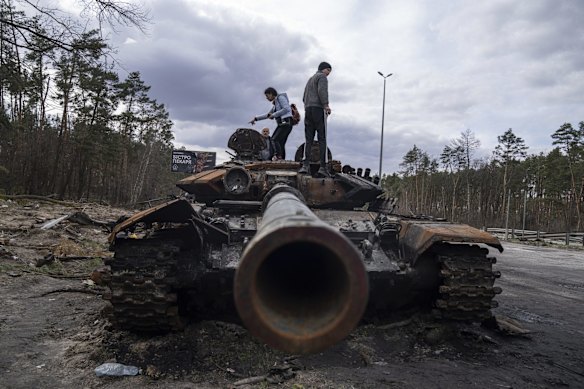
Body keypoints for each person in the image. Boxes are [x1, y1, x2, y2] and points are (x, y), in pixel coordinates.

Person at [299, 62, 332, 177]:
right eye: (329, 71)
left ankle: (305, 165)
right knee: (322, 138)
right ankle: (323, 167)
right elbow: (322, 91)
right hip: (318, 109)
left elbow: (304, 97)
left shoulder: (310, 79)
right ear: (325, 69)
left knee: (309, 139)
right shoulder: (322, 77)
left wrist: (308, 106)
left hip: (308, 110)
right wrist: (326, 105)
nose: (329, 74)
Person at [249, 87, 293, 159]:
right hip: (283, 123)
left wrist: (274, 115)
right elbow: (268, 115)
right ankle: (281, 158)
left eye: (267, 96)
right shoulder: (275, 105)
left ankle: (278, 156)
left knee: (274, 139)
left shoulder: (280, 98)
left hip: (286, 122)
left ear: (271, 94)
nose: (266, 98)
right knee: (281, 142)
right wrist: (256, 118)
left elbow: (286, 108)